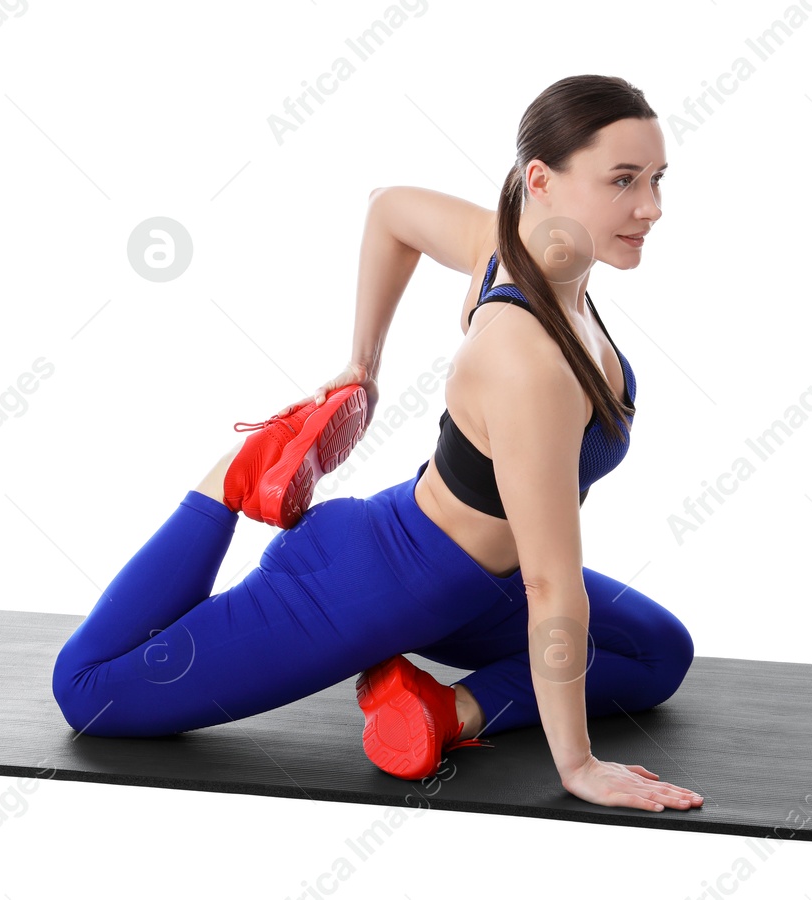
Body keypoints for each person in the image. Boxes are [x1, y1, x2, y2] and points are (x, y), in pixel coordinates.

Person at [52, 74, 702, 813]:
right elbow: (550, 586)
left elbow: (390, 210)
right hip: (371, 580)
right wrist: (578, 765)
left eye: (655, 179)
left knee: (657, 655)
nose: (651, 207)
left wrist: (362, 366)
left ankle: (442, 712)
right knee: (90, 693)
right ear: (542, 180)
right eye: (623, 181)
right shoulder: (525, 358)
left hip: (475, 587)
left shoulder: (530, 257)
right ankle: (230, 482)